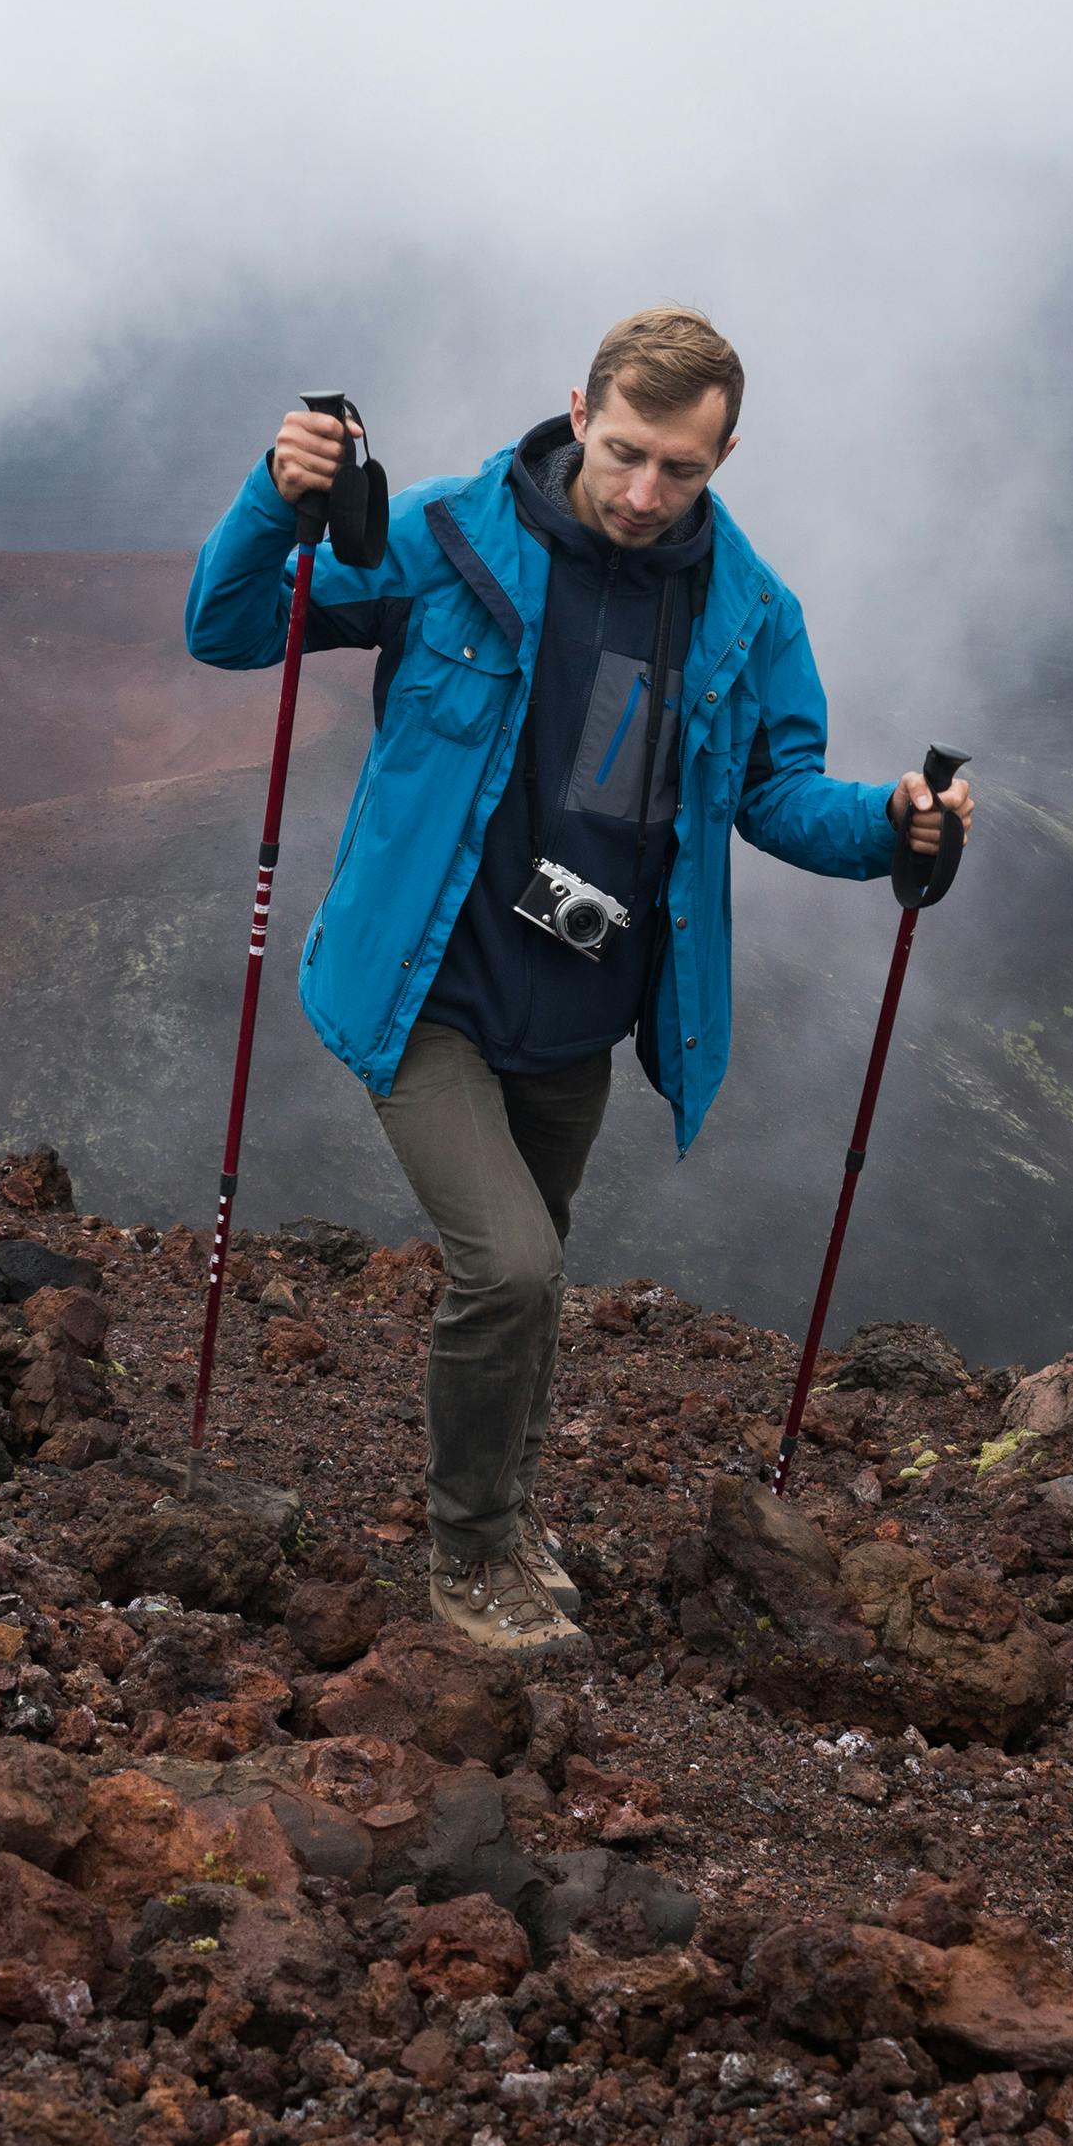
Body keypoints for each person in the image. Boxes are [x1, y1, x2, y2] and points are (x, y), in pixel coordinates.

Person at [183, 306, 976, 1658]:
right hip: (419, 981)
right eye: (624, 455)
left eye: (684, 470)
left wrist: (894, 824)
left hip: (580, 1007)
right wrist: (280, 496)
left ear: (725, 457)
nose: (645, 493)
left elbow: (779, 798)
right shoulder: (442, 540)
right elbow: (233, 627)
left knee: (531, 1284)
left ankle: (500, 1509)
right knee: (512, 1270)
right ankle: (470, 1552)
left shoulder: (748, 615)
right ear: (577, 411)